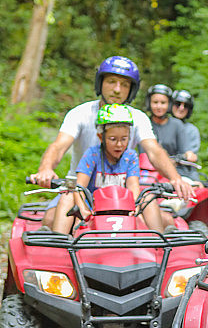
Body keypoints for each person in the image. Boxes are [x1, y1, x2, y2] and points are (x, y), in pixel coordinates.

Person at [30, 56, 194, 230]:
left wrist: (175, 178)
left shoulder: (137, 117)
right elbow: (59, 146)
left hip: (121, 193)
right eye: (111, 82)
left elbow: (154, 150)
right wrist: (45, 169)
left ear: (131, 90)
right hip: (82, 189)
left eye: (124, 85)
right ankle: (62, 253)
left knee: (167, 221)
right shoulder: (80, 113)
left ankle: (155, 252)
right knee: (50, 220)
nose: (117, 89)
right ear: (100, 83)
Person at [52, 104, 141, 234]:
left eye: (124, 139)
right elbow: (79, 187)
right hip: (92, 207)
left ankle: (158, 244)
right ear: (101, 137)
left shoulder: (131, 156)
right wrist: (82, 209)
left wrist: (134, 206)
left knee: (149, 199)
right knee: (67, 198)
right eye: (112, 139)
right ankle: (58, 243)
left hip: (121, 207)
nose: (119, 144)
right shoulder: (92, 154)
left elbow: (133, 186)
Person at [144, 84, 186, 156]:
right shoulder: (144, 123)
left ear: (169, 104)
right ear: (149, 103)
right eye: (155, 102)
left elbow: (184, 152)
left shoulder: (177, 125)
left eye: (163, 103)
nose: (159, 106)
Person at [171, 89, 201, 181]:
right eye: (178, 104)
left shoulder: (191, 130)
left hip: (185, 174)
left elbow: (191, 156)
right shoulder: (159, 126)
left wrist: (183, 157)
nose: (181, 108)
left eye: (186, 106)